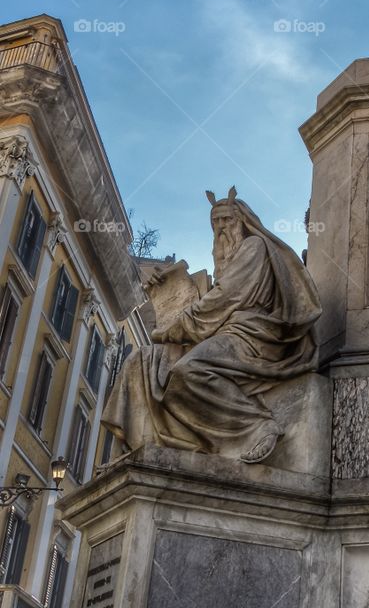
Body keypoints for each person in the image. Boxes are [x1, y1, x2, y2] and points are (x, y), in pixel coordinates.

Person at [103, 187, 321, 463]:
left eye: (227, 221)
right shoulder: (227, 261)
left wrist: (175, 327)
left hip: (255, 336)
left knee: (189, 370)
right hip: (223, 333)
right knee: (141, 360)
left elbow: (224, 299)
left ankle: (257, 426)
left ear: (243, 220)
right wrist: (169, 290)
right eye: (215, 223)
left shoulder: (254, 247)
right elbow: (213, 302)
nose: (221, 229)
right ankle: (142, 446)